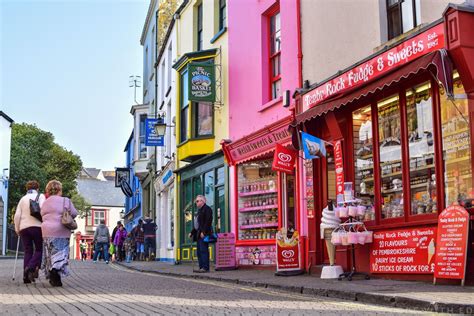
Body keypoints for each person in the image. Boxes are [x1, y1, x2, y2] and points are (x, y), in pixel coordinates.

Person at [40, 180, 78, 287]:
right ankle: (56, 272)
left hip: (46, 231)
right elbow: (74, 213)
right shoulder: (66, 201)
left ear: (48, 190)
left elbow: (41, 214)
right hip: (61, 230)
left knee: (50, 254)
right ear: (59, 190)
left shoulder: (45, 202)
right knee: (60, 253)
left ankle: (52, 273)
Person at [14, 180, 46, 284]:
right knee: (39, 249)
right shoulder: (40, 196)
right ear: (37, 188)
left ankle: (25, 276)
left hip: (24, 228)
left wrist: (17, 228)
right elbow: (43, 210)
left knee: (28, 251)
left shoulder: (22, 199)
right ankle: (30, 267)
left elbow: (17, 215)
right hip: (37, 227)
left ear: (27, 189)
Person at [189, 195, 213, 273]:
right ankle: (201, 267)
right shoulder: (199, 211)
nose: (196, 202)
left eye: (197, 201)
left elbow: (208, 222)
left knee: (204, 250)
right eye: (196, 201)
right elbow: (197, 224)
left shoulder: (207, 209)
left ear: (202, 201)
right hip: (198, 234)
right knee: (199, 251)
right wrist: (192, 232)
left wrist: (204, 232)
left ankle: (205, 268)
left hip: (204, 233)